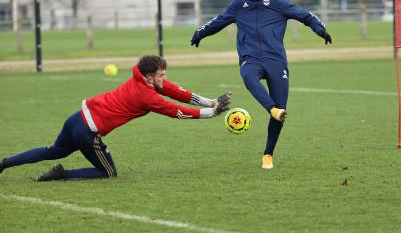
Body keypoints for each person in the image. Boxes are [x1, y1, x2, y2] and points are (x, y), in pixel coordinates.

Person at [190, 0, 332, 169]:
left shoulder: (278, 4)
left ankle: (268, 155)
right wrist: (200, 33)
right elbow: (217, 22)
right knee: (248, 78)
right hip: (251, 59)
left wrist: (319, 28)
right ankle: (272, 109)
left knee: (281, 111)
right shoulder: (238, 7)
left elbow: (306, 16)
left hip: (276, 60)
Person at [0, 55, 231, 181]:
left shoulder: (141, 78)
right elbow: (176, 111)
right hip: (88, 133)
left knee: (52, 150)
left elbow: (178, 93)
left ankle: (4, 163)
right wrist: (211, 114)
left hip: (76, 118)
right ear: (150, 77)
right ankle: (62, 174)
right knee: (108, 173)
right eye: (162, 74)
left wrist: (210, 102)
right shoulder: (147, 95)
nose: (165, 77)